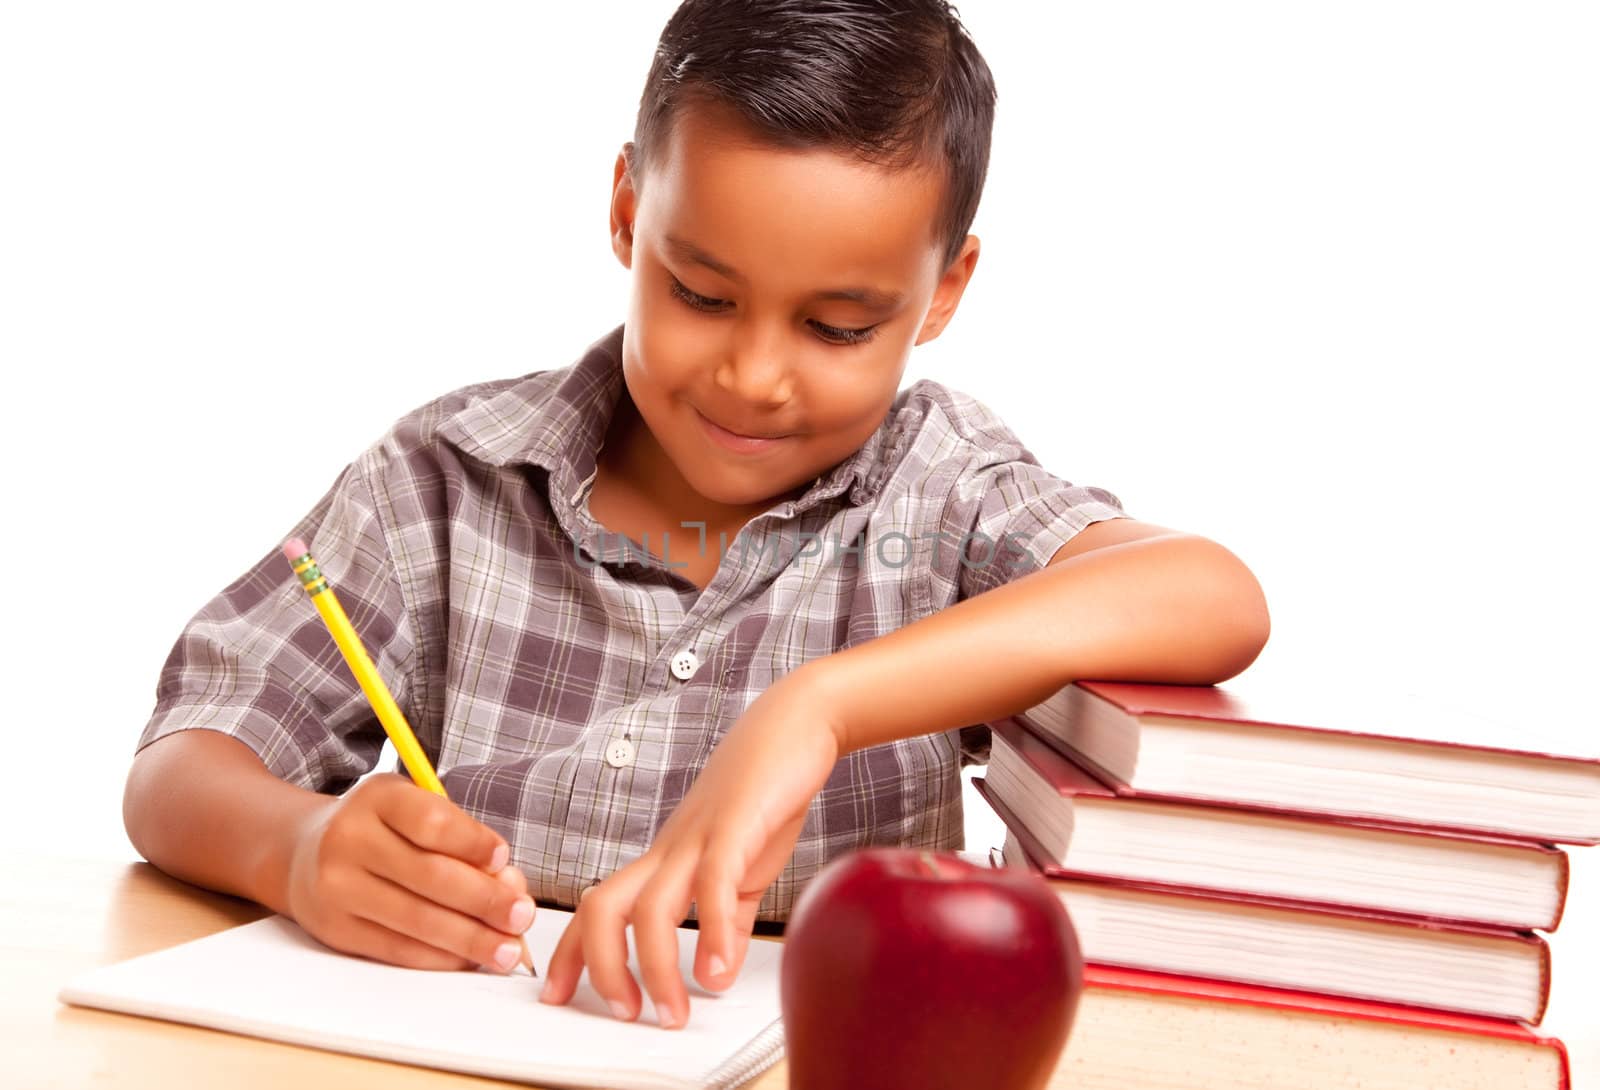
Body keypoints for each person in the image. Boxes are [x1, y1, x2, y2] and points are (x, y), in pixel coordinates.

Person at [123, 0, 1271, 1032]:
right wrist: (298, 846)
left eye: (836, 328)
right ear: (628, 213)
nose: (755, 376)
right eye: (702, 295)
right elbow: (183, 762)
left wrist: (817, 707)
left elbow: (1210, 594)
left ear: (944, 292)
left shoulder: (942, 490)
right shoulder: (444, 479)